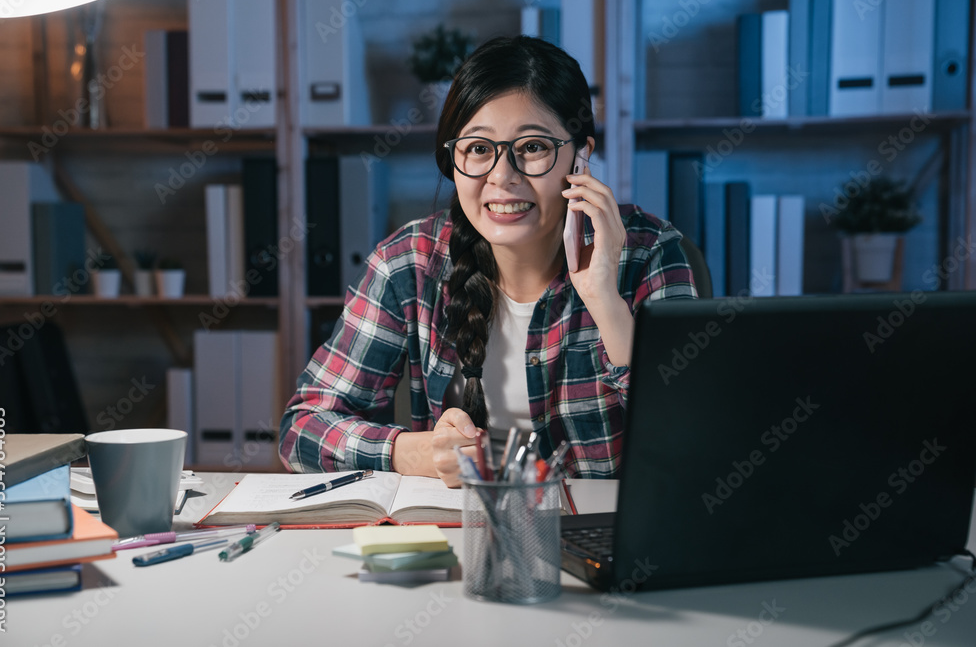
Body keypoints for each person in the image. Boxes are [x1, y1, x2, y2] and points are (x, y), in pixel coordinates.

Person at [279, 35, 696, 486]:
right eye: (478, 149)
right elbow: (302, 429)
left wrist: (606, 302)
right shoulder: (409, 263)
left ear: (581, 156)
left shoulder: (651, 252)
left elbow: (692, 443)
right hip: (460, 533)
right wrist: (413, 452)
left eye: (533, 147)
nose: (502, 177)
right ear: (453, 160)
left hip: (607, 544)